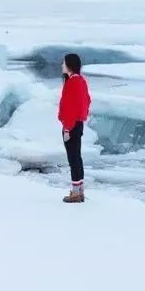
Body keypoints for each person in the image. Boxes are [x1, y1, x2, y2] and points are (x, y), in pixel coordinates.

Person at [58, 53, 91, 203]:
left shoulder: (72, 83)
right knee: (77, 157)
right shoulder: (81, 80)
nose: (62, 65)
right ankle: (80, 190)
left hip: (71, 125)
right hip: (78, 124)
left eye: (64, 63)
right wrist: (82, 116)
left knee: (73, 159)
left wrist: (67, 128)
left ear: (70, 65)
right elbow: (87, 101)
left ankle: (76, 193)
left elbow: (70, 107)